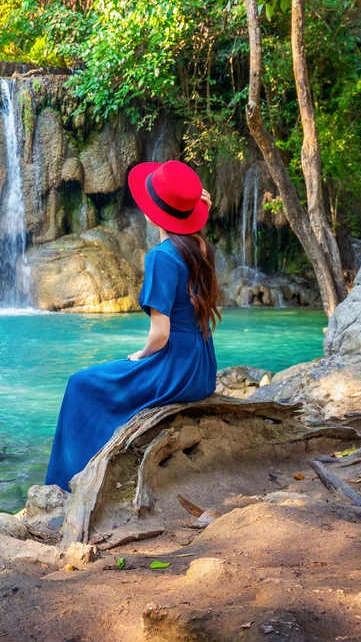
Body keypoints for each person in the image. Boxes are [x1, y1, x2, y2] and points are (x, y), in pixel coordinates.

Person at [44, 159, 221, 491]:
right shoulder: (200, 247)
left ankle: (65, 485)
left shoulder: (161, 256)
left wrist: (140, 355)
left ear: (153, 214)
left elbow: (161, 334)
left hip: (176, 369)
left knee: (81, 384)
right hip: (202, 367)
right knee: (103, 382)